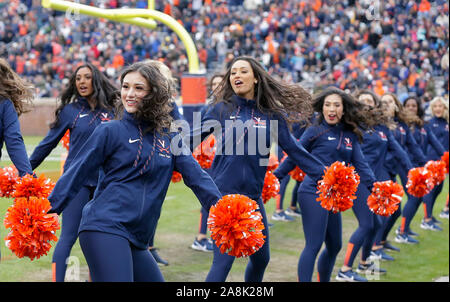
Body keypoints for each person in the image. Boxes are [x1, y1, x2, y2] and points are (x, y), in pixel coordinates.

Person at [47, 62, 225, 282]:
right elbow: (76, 173)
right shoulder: (110, 130)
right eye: (125, 87)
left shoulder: (170, 137)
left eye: (138, 88)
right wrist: (47, 211)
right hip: (104, 227)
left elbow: (197, 178)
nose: (129, 94)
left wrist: (225, 213)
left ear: (154, 94)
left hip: (137, 238)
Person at [187, 56, 326, 282]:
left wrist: (324, 175)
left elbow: (293, 148)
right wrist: (164, 151)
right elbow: (189, 140)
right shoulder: (220, 109)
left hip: (253, 197)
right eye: (233, 73)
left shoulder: (271, 114)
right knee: (222, 264)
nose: (236, 76)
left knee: (261, 259)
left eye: (243, 71)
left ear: (256, 79)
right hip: (224, 196)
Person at [274, 87, 379, 282]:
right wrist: (276, 176)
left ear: (343, 109)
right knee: (314, 244)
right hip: (312, 192)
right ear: (321, 108)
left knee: (335, 245)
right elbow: (294, 154)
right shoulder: (314, 130)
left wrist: (375, 188)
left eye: (336, 105)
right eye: (327, 105)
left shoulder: (349, 134)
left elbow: (361, 164)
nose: (332, 109)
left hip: (334, 197)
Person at [29, 62, 119, 282]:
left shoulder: (113, 111)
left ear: (95, 80)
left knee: (99, 238)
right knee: (68, 237)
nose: (81, 82)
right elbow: (46, 144)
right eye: (78, 78)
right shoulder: (71, 111)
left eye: (87, 77)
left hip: (104, 184)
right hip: (75, 183)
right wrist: (25, 170)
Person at [335, 89, 412, 282]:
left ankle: (364, 262)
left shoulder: (382, 127)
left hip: (374, 181)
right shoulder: (352, 126)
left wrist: (411, 170)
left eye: (370, 100)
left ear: (375, 104)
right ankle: (345, 269)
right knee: (367, 224)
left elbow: (398, 149)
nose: (367, 103)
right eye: (362, 101)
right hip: (358, 180)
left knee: (376, 222)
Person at [373, 92, 427, 255]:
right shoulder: (377, 125)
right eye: (383, 102)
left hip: (392, 170)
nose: (387, 105)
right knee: (384, 209)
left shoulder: (401, 126)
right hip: (380, 169)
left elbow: (411, 147)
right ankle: (374, 248)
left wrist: (424, 165)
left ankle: (381, 240)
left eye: (390, 102)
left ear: (396, 105)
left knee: (396, 210)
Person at [144, 59, 185, 265]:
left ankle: (148, 248)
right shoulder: (138, 98)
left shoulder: (169, 103)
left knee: (154, 207)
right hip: (140, 158)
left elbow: (180, 127)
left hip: (161, 160)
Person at [396, 96, 446, 244]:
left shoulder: (423, 125)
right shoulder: (402, 125)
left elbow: (435, 143)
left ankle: (406, 227)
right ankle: (401, 232)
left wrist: (446, 157)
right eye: (408, 105)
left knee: (418, 198)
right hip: (406, 165)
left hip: (419, 165)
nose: (411, 108)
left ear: (418, 108)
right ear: (403, 108)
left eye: (414, 105)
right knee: (414, 198)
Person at [0, 58, 34, 261]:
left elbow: (14, 141)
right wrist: (27, 176)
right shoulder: (4, 104)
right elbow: (14, 140)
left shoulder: (4, 104)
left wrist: (27, 175)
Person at [191, 72, 224, 253]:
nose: (218, 88)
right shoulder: (208, 109)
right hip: (209, 159)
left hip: (225, 159)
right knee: (209, 198)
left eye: (221, 84)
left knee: (220, 197)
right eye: (215, 85)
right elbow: (198, 133)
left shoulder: (230, 107)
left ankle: (214, 236)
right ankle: (201, 237)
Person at [421, 96, 449, 230]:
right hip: (432, 161)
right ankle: (426, 219)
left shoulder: (446, 123)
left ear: (445, 108)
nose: (438, 108)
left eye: (440, 106)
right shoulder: (429, 123)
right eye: (435, 106)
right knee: (430, 190)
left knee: (438, 190)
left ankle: (430, 216)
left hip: (443, 162)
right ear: (432, 108)